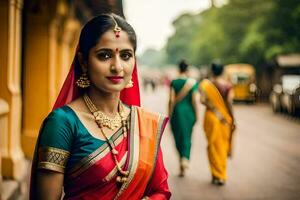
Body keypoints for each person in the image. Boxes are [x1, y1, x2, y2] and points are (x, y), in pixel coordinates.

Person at [30, 13, 171, 200]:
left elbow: (160, 191)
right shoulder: (63, 123)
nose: (117, 67)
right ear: (83, 61)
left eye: (126, 55)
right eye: (104, 55)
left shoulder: (144, 124)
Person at [199, 63, 235, 186]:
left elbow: (202, 100)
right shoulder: (228, 86)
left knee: (212, 146)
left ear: (212, 71)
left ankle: (216, 175)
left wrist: (214, 110)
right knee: (222, 146)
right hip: (225, 120)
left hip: (211, 118)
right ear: (222, 71)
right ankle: (221, 175)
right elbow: (229, 102)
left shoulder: (206, 84)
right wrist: (232, 118)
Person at [168, 60, 198, 177]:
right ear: (187, 69)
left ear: (178, 69)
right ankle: (185, 158)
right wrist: (196, 115)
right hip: (188, 113)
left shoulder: (174, 82)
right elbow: (194, 101)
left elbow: (171, 100)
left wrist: (170, 114)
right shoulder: (192, 82)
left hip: (176, 113)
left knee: (178, 137)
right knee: (187, 137)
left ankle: (181, 159)